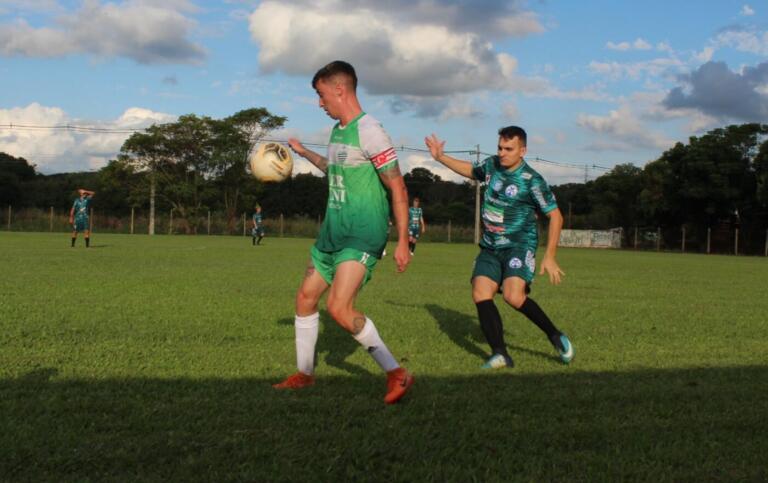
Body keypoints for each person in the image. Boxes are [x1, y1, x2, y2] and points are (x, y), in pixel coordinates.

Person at [275, 60, 414, 404]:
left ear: (340, 89)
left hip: (362, 234)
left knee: (338, 307)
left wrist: (401, 240)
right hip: (333, 234)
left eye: (321, 95)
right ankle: (305, 375)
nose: (319, 103)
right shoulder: (339, 130)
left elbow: (397, 187)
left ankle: (397, 373)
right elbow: (334, 168)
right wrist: (305, 152)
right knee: (306, 299)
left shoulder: (371, 131)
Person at [425, 126, 574, 369]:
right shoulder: (492, 165)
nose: (502, 153)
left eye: (508, 149)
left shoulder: (532, 181)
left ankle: (555, 335)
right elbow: (471, 171)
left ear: (522, 150)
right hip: (490, 247)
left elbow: (556, 217)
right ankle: (500, 354)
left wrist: (550, 256)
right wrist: (440, 157)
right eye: (500, 148)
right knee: (480, 292)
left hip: (518, 246)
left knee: (513, 296)